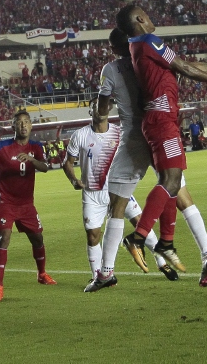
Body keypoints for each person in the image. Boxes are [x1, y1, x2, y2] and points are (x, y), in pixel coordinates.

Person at [86, 27, 207, 292]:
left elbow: (102, 108)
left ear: (114, 48)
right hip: (161, 133)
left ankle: (107, 271)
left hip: (135, 138)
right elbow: (185, 65)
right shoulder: (151, 59)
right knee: (180, 195)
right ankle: (206, 254)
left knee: (117, 207)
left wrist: (99, 108)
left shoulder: (111, 69)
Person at [62, 99, 176, 283]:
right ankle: (98, 276)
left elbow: (136, 152)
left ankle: (161, 261)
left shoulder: (119, 132)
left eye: (103, 105)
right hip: (93, 194)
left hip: (118, 188)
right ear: (90, 111)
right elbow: (67, 162)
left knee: (140, 222)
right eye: (95, 106)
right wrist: (74, 180)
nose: (100, 108)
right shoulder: (80, 135)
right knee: (93, 235)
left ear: (109, 109)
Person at [0, 110, 57, 302]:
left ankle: (42, 274)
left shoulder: (36, 147)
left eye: (26, 122)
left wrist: (32, 159)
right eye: (19, 123)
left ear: (31, 125)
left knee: (38, 238)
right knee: (4, 238)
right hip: (5, 201)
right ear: (13, 127)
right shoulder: (1, 147)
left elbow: (44, 167)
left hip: (26, 203)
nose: (23, 125)